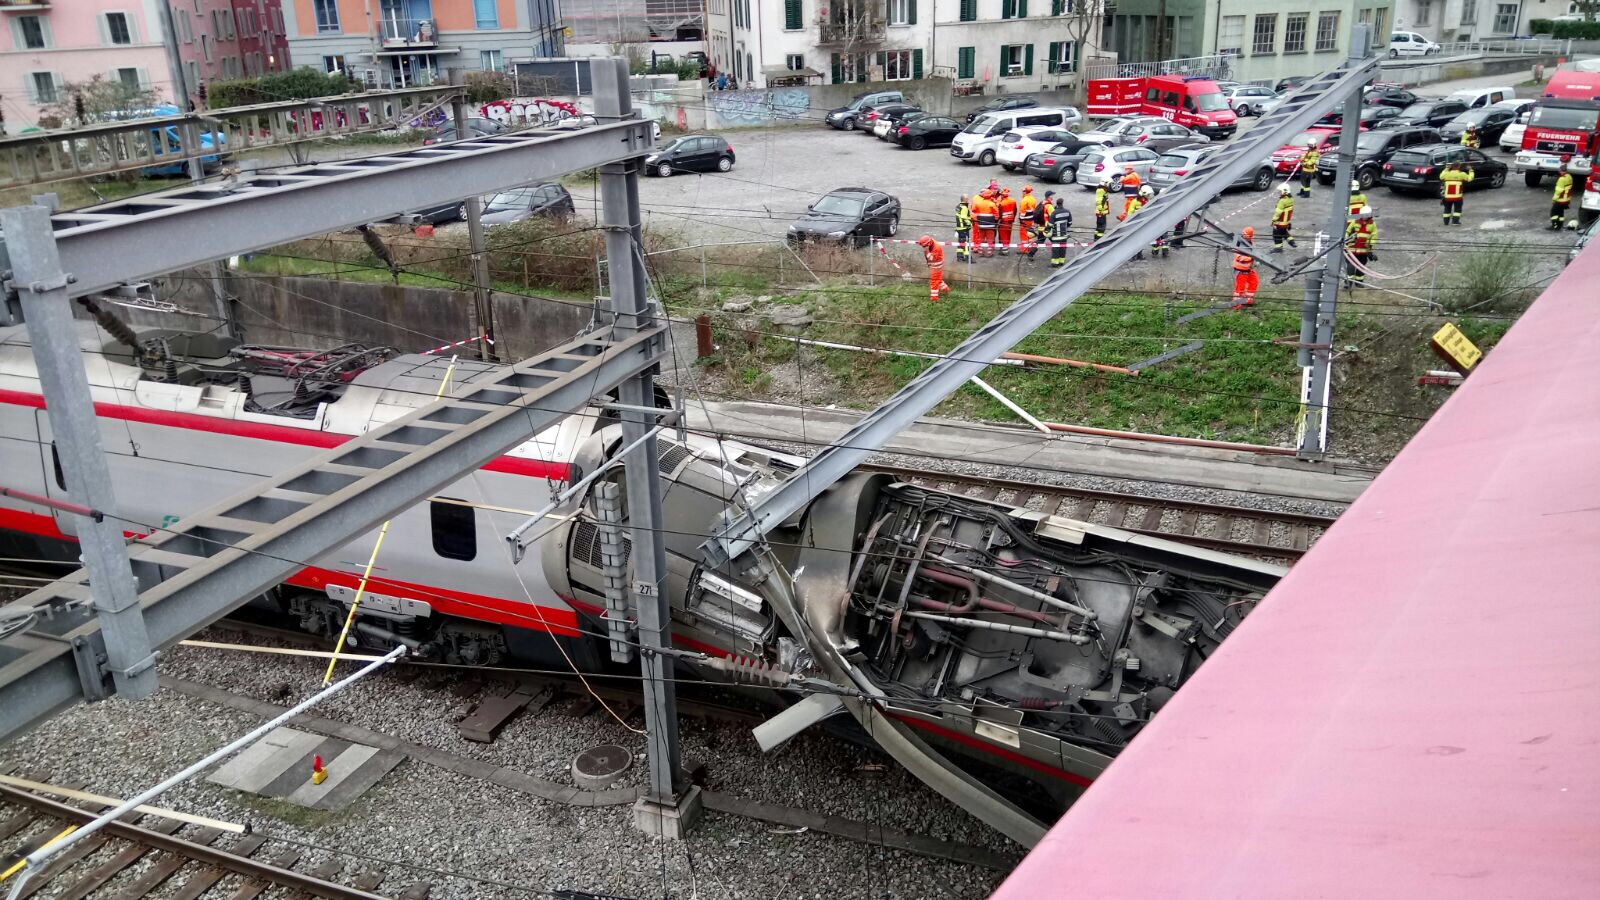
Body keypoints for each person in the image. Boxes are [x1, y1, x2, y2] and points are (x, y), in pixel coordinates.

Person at [1346, 206, 1377, 285]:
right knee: (1351, 266)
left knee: (1361, 266)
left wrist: (1370, 246)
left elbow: (1374, 236)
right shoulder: (1355, 222)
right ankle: (1348, 282)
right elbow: (1347, 231)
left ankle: (1359, 281)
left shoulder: (1372, 224)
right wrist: (1346, 240)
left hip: (1363, 250)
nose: (1364, 218)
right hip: (1352, 249)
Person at [1439, 161, 1474, 226]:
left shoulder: (1447, 174)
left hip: (1447, 197)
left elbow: (1441, 177)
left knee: (1447, 209)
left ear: (1451, 166)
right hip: (1457, 197)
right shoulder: (1461, 174)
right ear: (1459, 166)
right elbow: (1470, 178)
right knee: (1457, 210)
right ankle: (1455, 222)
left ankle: (1446, 222)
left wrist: (1446, 168)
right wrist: (1471, 170)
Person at [1232, 227, 1259, 309]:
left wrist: (1258, 259)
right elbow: (1239, 258)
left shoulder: (1251, 243)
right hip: (1240, 271)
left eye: (1250, 236)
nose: (1248, 237)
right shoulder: (1238, 244)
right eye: (1246, 235)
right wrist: (1251, 258)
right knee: (1239, 289)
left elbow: (1255, 252)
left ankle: (1248, 300)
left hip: (1249, 269)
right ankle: (1236, 305)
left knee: (1254, 282)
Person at [918, 235, 950, 301]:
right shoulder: (930, 242)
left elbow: (931, 258)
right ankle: (946, 290)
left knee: (934, 281)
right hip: (934, 265)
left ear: (928, 243)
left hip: (936, 266)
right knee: (938, 279)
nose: (923, 247)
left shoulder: (936, 247)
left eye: (924, 246)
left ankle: (934, 298)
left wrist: (926, 250)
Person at [1026, 190, 1054, 259]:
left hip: (1041, 227)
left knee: (1040, 241)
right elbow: (1053, 217)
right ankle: (1056, 255)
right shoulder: (1049, 206)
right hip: (1048, 228)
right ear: (1049, 197)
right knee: (1055, 241)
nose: (1052, 198)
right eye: (1052, 196)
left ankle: (1030, 254)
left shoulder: (1041, 203)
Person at [1122, 185, 1148, 259]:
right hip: (1135, 224)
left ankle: (1139, 254)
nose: (1148, 196)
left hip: (1143, 224)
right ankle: (1132, 255)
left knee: (1141, 240)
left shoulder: (1146, 201)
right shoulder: (1135, 201)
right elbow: (1130, 213)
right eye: (1147, 195)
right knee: (1134, 240)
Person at [971, 189, 999, 257]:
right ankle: (989, 253)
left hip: (981, 225)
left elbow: (973, 210)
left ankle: (980, 252)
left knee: (981, 238)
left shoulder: (978, 203)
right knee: (990, 238)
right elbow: (996, 215)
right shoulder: (992, 204)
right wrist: (995, 220)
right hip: (990, 225)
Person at [1271, 185, 1297, 252]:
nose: (1279, 193)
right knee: (1283, 232)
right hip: (1286, 222)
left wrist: (1273, 220)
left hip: (1280, 222)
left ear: (1284, 191)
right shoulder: (1290, 199)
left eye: (1280, 191)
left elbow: (1278, 212)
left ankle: (1278, 248)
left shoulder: (1282, 201)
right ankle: (1292, 241)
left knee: (1276, 234)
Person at [1048, 200, 1073, 268]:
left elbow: (1050, 224)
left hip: (1056, 236)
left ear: (1057, 204)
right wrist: (1065, 228)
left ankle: (1055, 264)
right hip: (1064, 235)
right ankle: (1061, 262)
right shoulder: (1067, 211)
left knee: (1056, 249)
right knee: (1063, 248)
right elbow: (1070, 223)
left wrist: (1047, 231)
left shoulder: (1054, 213)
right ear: (1062, 203)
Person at [1551, 165, 1574, 230]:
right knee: (1561, 213)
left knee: (1554, 213)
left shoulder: (1562, 179)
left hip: (1560, 200)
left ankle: (1555, 226)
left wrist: (1554, 199)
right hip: (1566, 199)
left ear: (1562, 171)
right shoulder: (1569, 177)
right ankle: (1560, 225)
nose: (1559, 172)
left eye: (1560, 171)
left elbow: (1558, 191)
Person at [1017, 186, 1038, 256]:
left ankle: (1024, 250)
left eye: (1023, 191)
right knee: (1029, 234)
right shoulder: (1033, 199)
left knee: (1023, 235)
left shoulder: (1024, 200)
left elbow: (1022, 212)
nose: (1022, 193)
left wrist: (1021, 220)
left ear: (1025, 192)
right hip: (1031, 219)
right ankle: (1030, 247)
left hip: (1025, 220)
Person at [997, 187, 1018, 255]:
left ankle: (1005, 251)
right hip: (1010, 221)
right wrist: (1013, 219)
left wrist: (998, 222)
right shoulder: (1013, 201)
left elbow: (1000, 215)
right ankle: (1007, 248)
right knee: (1008, 235)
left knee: (1004, 236)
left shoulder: (1001, 203)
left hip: (1003, 222)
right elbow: (1015, 211)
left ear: (1002, 195)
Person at [1094, 174, 1112, 241]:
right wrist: (1101, 211)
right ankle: (1098, 240)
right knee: (1101, 227)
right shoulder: (1101, 190)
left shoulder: (1102, 189)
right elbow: (1098, 201)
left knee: (1099, 227)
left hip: (1101, 212)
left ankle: (1096, 238)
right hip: (1101, 212)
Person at [954, 196, 973, 262]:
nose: (969, 200)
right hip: (964, 229)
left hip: (959, 228)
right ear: (965, 200)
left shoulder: (958, 206)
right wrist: (970, 224)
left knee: (960, 243)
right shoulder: (964, 208)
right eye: (968, 199)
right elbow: (964, 218)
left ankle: (959, 257)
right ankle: (968, 258)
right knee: (966, 243)